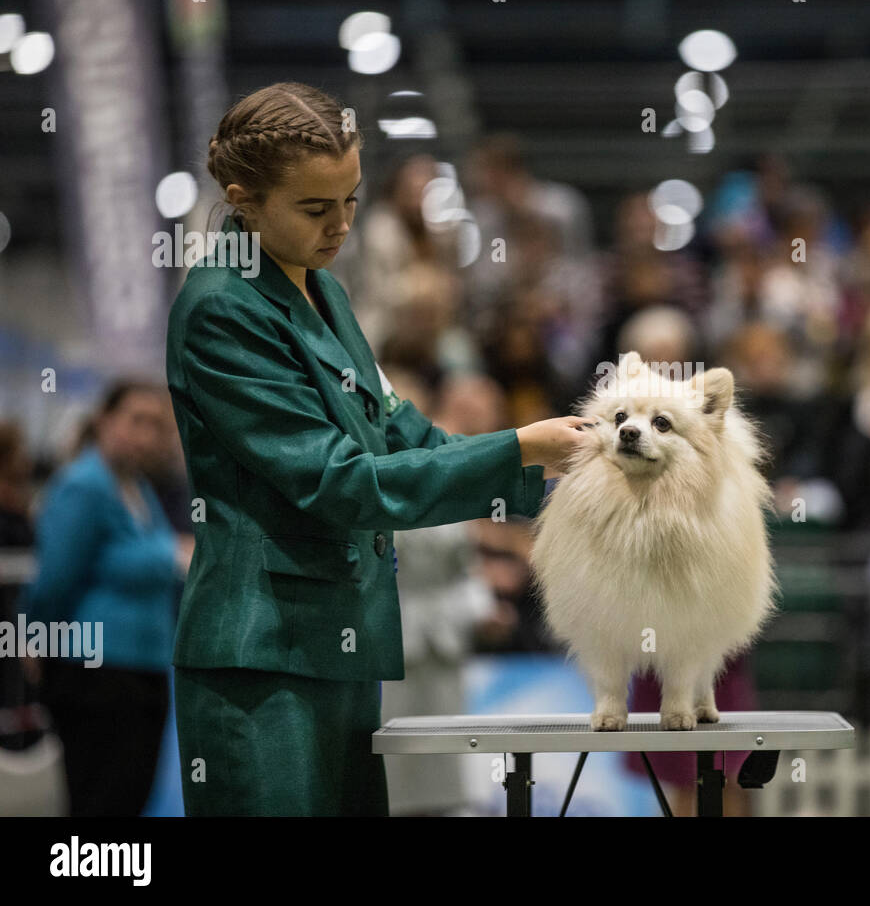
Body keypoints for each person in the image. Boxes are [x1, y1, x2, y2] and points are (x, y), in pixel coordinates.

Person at [166, 82, 587, 815]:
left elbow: (404, 433)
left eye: (353, 200)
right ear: (244, 198)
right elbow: (341, 483)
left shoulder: (322, 293)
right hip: (263, 657)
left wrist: (554, 464)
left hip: (339, 640)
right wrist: (517, 450)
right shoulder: (220, 310)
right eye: (315, 208)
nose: (342, 226)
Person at [23, 381, 189, 815]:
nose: (147, 435)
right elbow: (54, 582)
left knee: (130, 798)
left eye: (157, 425)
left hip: (143, 671)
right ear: (104, 420)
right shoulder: (82, 485)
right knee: (100, 800)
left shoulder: (139, 489)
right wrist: (36, 642)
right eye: (136, 421)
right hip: (95, 673)